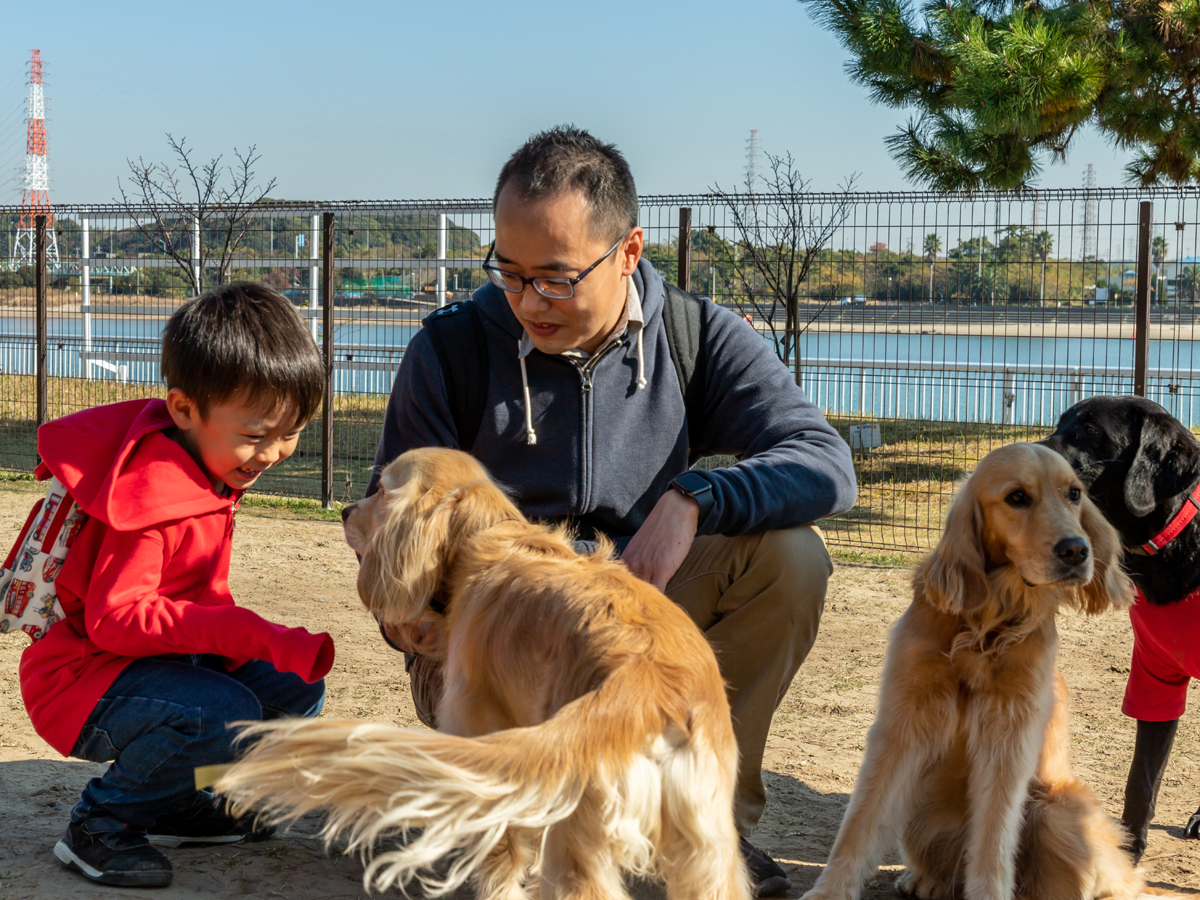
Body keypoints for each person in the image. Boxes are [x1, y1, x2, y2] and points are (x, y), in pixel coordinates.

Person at [369, 126, 857, 897]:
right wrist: (421, 615)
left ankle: (706, 817)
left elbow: (827, 464)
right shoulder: (450, 352)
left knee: (791, 556)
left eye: (558, 278)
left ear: (629, 251)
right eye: (510, 272)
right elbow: (390, 538)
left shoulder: (699, 337)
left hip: (638, 608)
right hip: (494, 650)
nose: (529, 301)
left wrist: (695, 496)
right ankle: (517, 808)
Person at [19, 283, 336, 888]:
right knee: (221, 713)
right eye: (255, 433)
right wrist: (249, 633)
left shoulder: (208, 471)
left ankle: (182, 805)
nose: (272, 453)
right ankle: (101, 822)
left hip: (157, 666)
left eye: (290, 433)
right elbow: (118, 618)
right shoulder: (148, 497)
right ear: (186, 409)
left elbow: (196, 600)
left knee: (294, 687)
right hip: (83, 682)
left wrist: (260, 647)